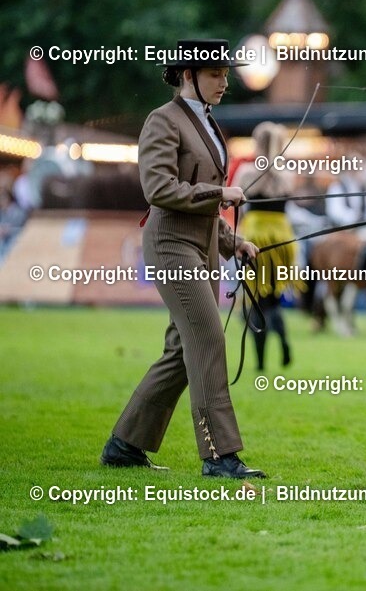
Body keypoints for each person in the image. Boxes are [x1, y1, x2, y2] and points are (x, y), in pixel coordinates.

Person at [101, 39, 265, 478]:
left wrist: (233, 243)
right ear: (187, 75)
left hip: (205, 245)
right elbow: (158, 189)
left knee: (181, 350)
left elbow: (207, 203)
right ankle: (219, 455)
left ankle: (125, 444)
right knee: (209, 338)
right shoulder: (162, 121)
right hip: (171, 245)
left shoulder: (208, 123)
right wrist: (221, 192)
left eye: (226, 74)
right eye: (216, 74)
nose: (225, 81)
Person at [231, 122, 304, 371]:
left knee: (255, 301)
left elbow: (238, 204)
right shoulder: (287, 174)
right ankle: (283, 341)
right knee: (272, 299)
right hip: (282, 240)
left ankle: (260, 363)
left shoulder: (247, 172)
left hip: (256, 240)